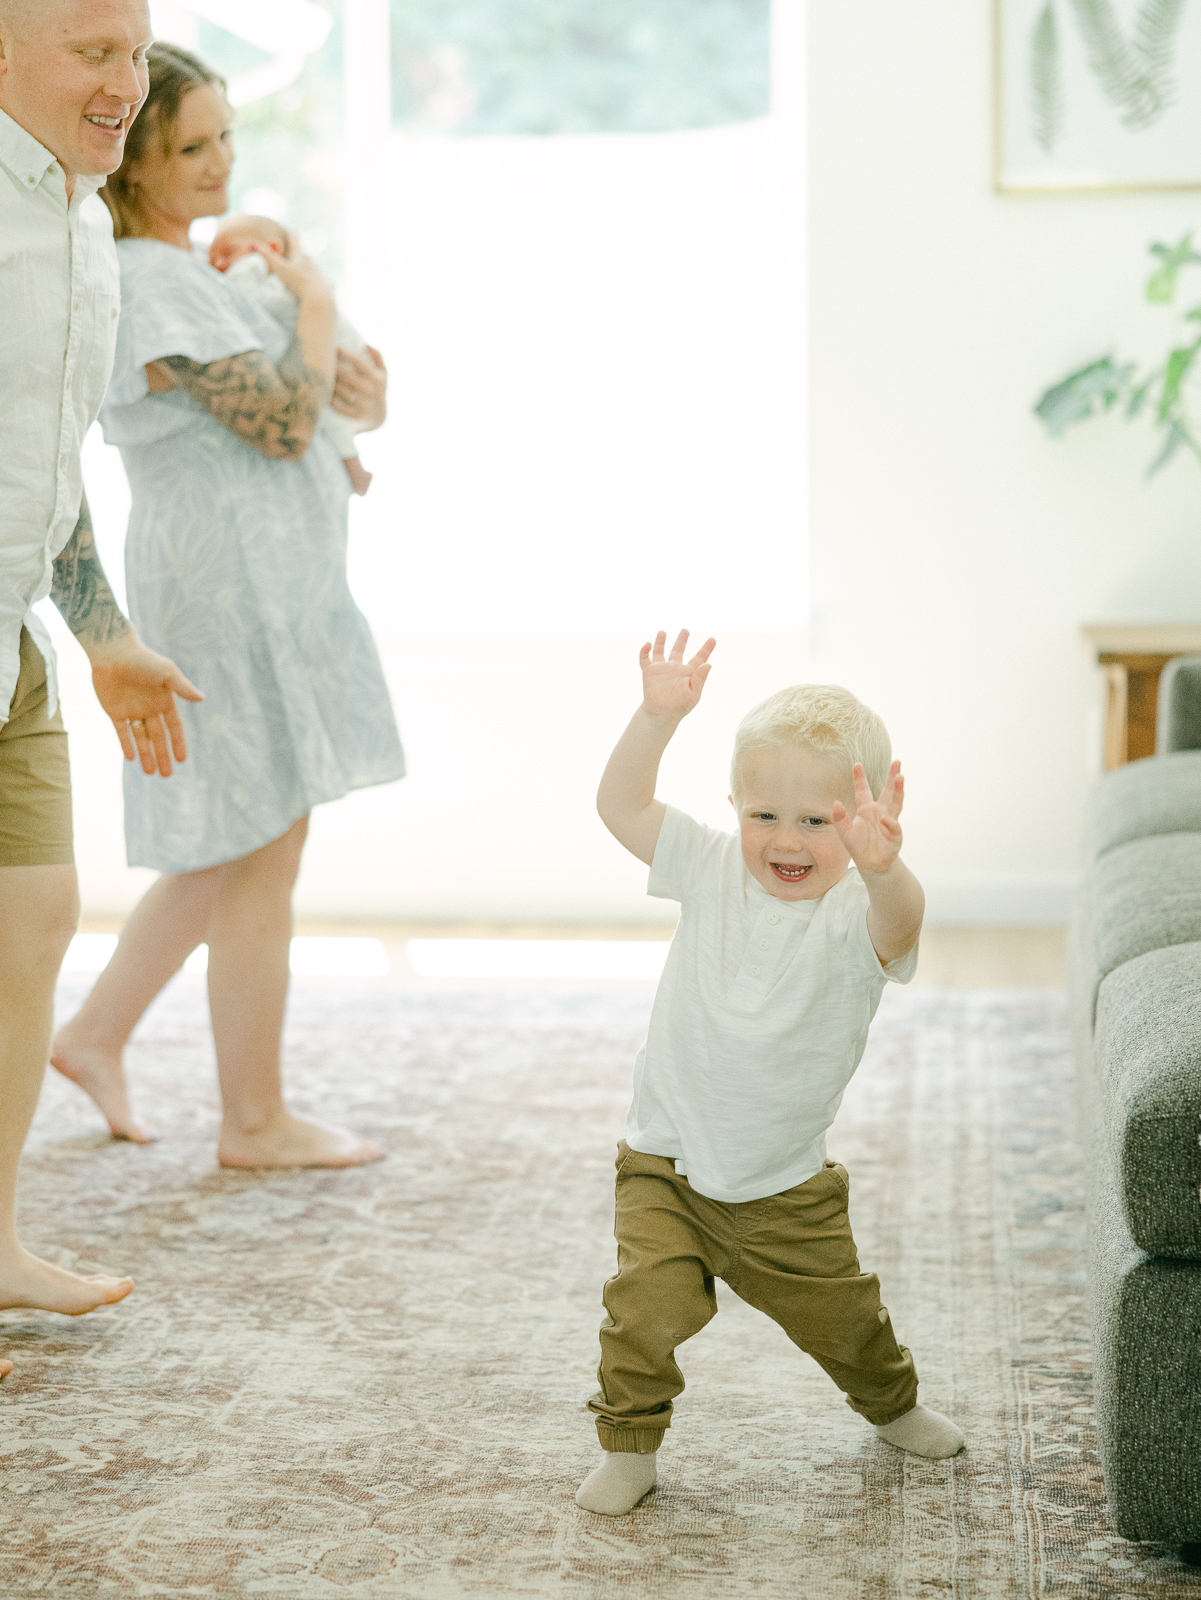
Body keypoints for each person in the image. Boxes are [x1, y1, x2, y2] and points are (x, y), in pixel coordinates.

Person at [50, 43, 404, 1169]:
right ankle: (255, 1119)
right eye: (192, 146)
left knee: (229, 838)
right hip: (226, 589)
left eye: (226, 139)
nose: (220, 164)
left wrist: (360, 379)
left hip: (264, 580)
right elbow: (285, 422)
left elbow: (325, 402)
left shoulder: (197, 270)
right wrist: (317, 302)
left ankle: (95, 1035)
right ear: (137, 162)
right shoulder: (148, 281)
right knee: (263, 837)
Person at [575, 631, 965, 1517]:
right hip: (665, 1163)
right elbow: (620, 807)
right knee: (641, 1314)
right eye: (764, 817)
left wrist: (885, 869)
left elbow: (901, 925)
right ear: (735, 809)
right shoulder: (709, 865)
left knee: (845, 1323)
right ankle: (629, 1444)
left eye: (816, 822)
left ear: (857, 824)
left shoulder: (855, 912)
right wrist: (654, 717)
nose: (784, 840)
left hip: (784, 1188)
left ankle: (892, 1405)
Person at [0, 0, 204, 1367]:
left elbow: (50, 455)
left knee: (36, 917)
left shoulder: (77, 221)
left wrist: (101, 629)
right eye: (92, 50)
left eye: (135, 51)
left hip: (14, 633)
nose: (125, 82)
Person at [208, 213, 378, 496]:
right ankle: (353, 467)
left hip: (341, 356)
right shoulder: (298, 277)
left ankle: (354, 469)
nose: (217, 264)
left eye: (227, 253)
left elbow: (247, 298)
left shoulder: (256, 267)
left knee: (332, 417)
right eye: (213, 257)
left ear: (270, 250)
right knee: (334, 419)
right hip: (345, 355)